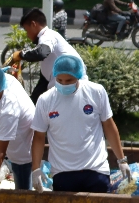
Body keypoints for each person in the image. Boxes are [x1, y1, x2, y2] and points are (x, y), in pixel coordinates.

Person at [30, 54, 128, 193]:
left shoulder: (96, 92)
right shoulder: (45, 100)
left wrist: (121, 160)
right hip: (63, 172)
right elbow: (39, 136)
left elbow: (109, 126)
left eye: (69, 80)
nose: (64, 84)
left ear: (79, 76)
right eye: (60, 80)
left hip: (96, 170)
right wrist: (36, 169)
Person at [12, 8, 79, 101]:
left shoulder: (47, 36)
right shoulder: (48, 38)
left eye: (27, 31)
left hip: (69, 89)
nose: (27, 35)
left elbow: (41, 53)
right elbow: (44, 80)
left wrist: (21, 54)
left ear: (33, 24)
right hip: (62, 89)